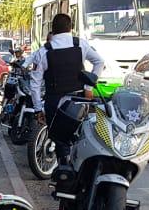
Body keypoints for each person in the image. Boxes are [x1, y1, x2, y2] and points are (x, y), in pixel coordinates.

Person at [28, 13, 106, 181]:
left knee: (59, 139)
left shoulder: (44, 52)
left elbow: (35, 84)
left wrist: (37, 109)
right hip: (79, 102)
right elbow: (99, 62)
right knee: (81, 136)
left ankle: (64, 173)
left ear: (52, 30)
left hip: (55, 103)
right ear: (70, 27)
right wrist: (88, 87)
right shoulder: (80, 45)